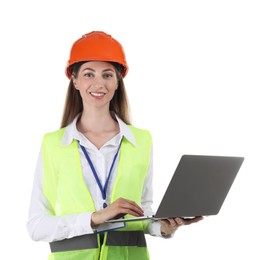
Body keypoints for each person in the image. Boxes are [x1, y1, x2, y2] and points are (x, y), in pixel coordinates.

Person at [27, 31, 203, 260]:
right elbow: (37, 225)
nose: (99, 83)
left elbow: (144, 212)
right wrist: (95, 217)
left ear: (118, 81)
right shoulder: (54, 144)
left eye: (107, 75)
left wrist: (162, 228)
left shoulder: (141, 141)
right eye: (89, 74)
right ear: (75, 80)